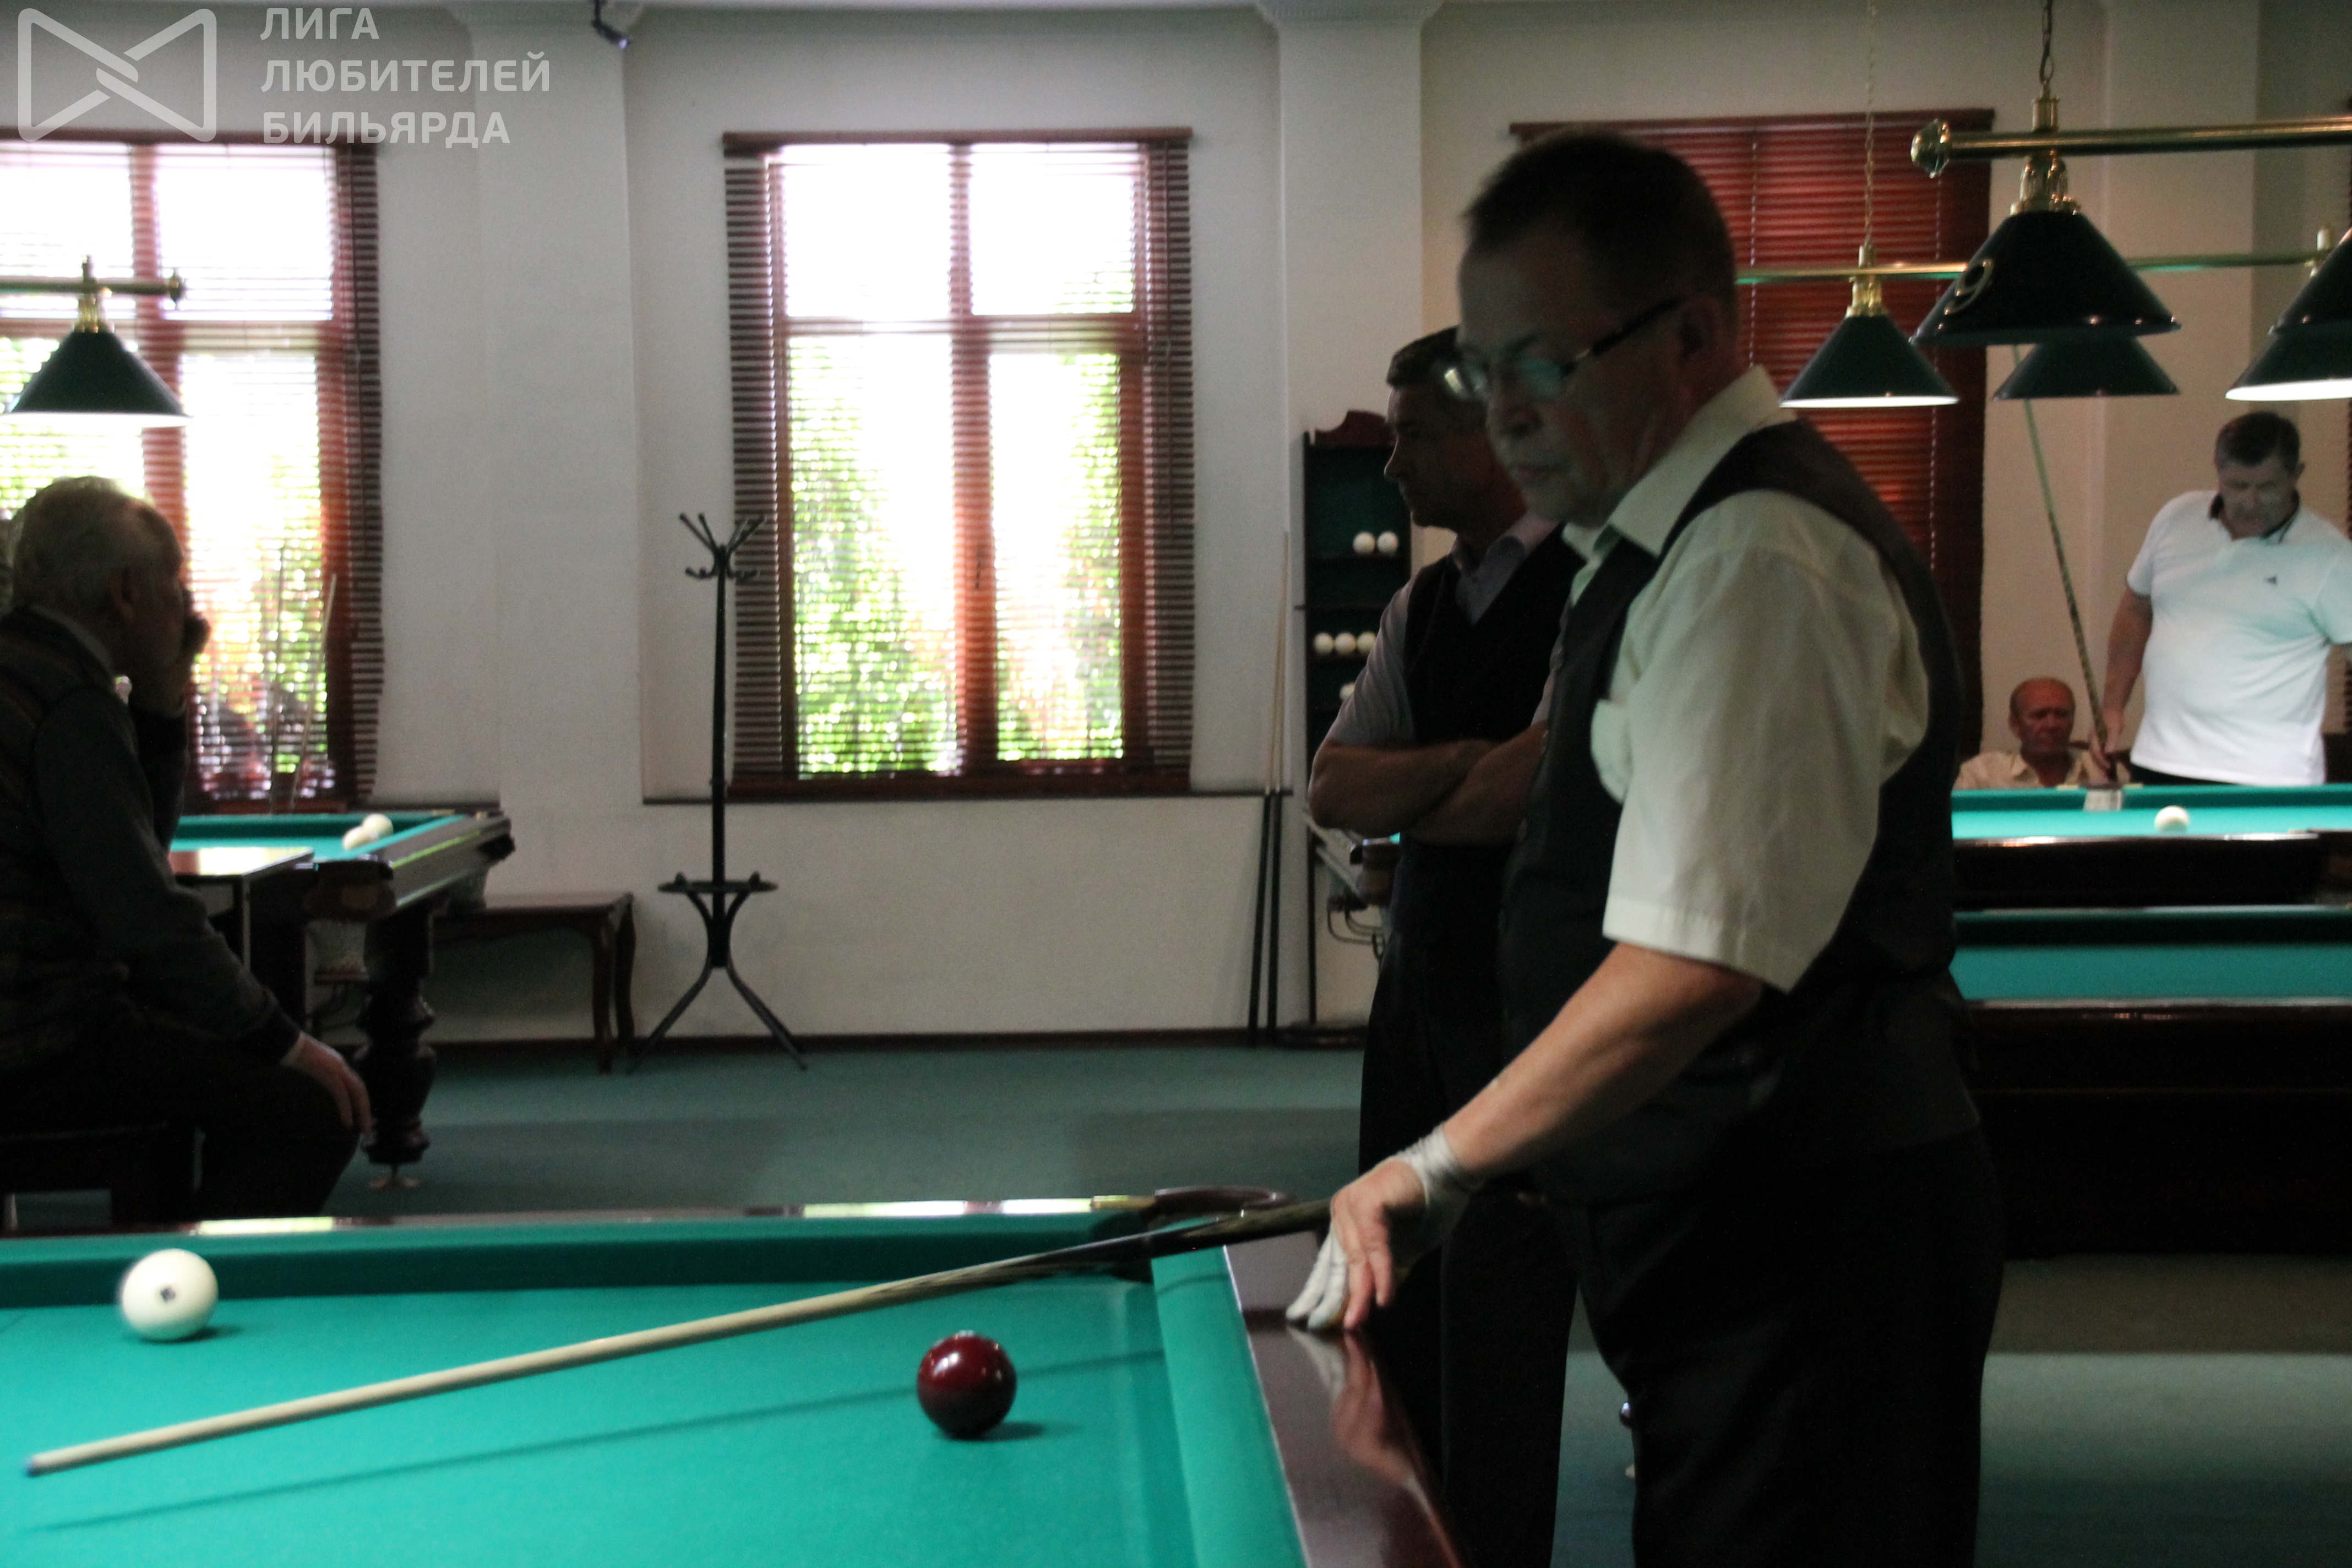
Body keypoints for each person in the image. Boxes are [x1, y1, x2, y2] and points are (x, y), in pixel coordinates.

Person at [1300, 134, 2002, 1567]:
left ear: (1689, 335)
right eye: (1483, 372)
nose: (1506, 414)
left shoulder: (1757, 555)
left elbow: (1694, 966)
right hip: (1746, 1227)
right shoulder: (1652, 542)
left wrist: (1436, 1164)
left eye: (1543, 363)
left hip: (1806, 1237)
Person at [1303, 328, 1581, 1568]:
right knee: (1395, 1300)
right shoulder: (1419, 603)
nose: (1392, 462)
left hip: (1531, 1011)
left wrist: (1427, 790)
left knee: (1506, 1317)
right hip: (1416, 999)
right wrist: (1469, 769)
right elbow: (1333, 786)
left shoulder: (1595, 585)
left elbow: (1533, 792)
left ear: (1493, 435)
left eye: (1414, 434)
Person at [0, 476, 367, 1218]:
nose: (187, 600)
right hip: (32, 1043)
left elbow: (136, 844)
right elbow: (144, 914)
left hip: (32, 1022)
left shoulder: (34, 671)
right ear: (126, 591)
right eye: (173, 577)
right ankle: (179, 1261)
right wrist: (287, 1041)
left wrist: (163, 700)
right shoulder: (71, 703)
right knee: (310, 1106)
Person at [2097, 412, 2352, 786]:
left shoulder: (2331, 557)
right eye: (2237, 485)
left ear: (2296, 474)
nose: (2250, 501)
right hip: (2160, 763)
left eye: (2266, 487)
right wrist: (2112, 706)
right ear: (2218, 470)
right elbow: (2136, 608)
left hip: (2271, 777)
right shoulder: (2176, 519)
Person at [1955, 677, 2114, 789]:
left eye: (2061, 715)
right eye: (2039, 716)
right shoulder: (1982, 774)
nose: (2052, 725)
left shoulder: (2101, 768)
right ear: (2015, 725)